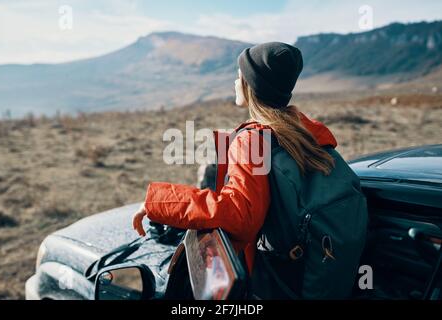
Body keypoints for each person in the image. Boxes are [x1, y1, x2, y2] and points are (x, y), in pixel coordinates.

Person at [133, 42, 366, 298]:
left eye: (238, 75)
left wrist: (160, 201)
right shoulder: (305, 133)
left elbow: (239, 215)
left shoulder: (254, 141)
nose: (234, 82)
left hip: (276, 283)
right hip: (307, 274)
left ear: (251, 84)